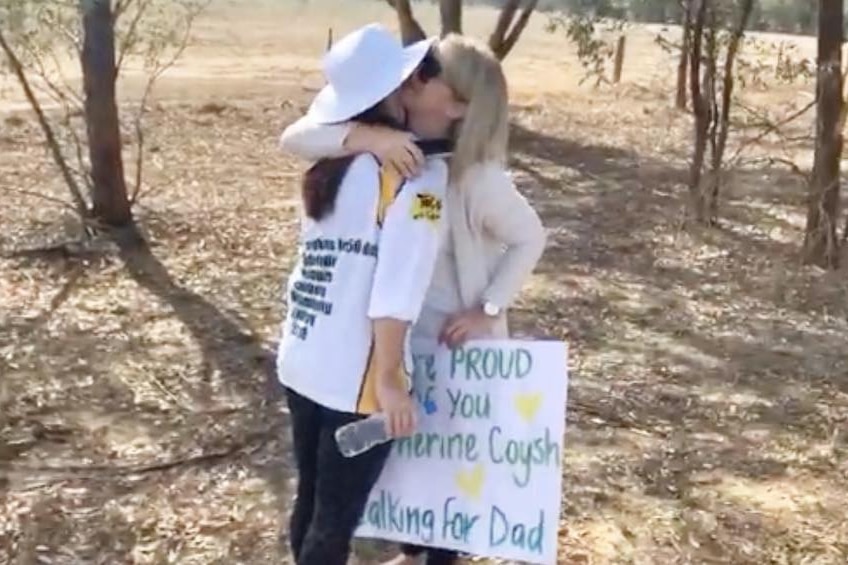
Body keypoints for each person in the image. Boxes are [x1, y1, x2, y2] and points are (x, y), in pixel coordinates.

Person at [279, 34, 546, 565]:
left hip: (445, 342)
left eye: (428, 70)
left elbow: (530, 238)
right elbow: (297, 136)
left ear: (457, 104)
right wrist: (366, 137)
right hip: (392, 343)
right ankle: (411, 550)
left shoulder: (465, 176)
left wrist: (487, 308)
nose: (414, 75)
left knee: (442, 477)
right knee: (390, 482)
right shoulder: (392, 156)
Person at [276, 24, 467, 565]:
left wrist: (366, 136)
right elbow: (396, 291)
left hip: (302, 356)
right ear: (394, 90)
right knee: (333, 526)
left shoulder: (333, 158)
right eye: (412, 75)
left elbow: (296, 135)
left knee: (310, 503)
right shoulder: (418, 179)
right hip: (353, 382)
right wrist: (390, 381)